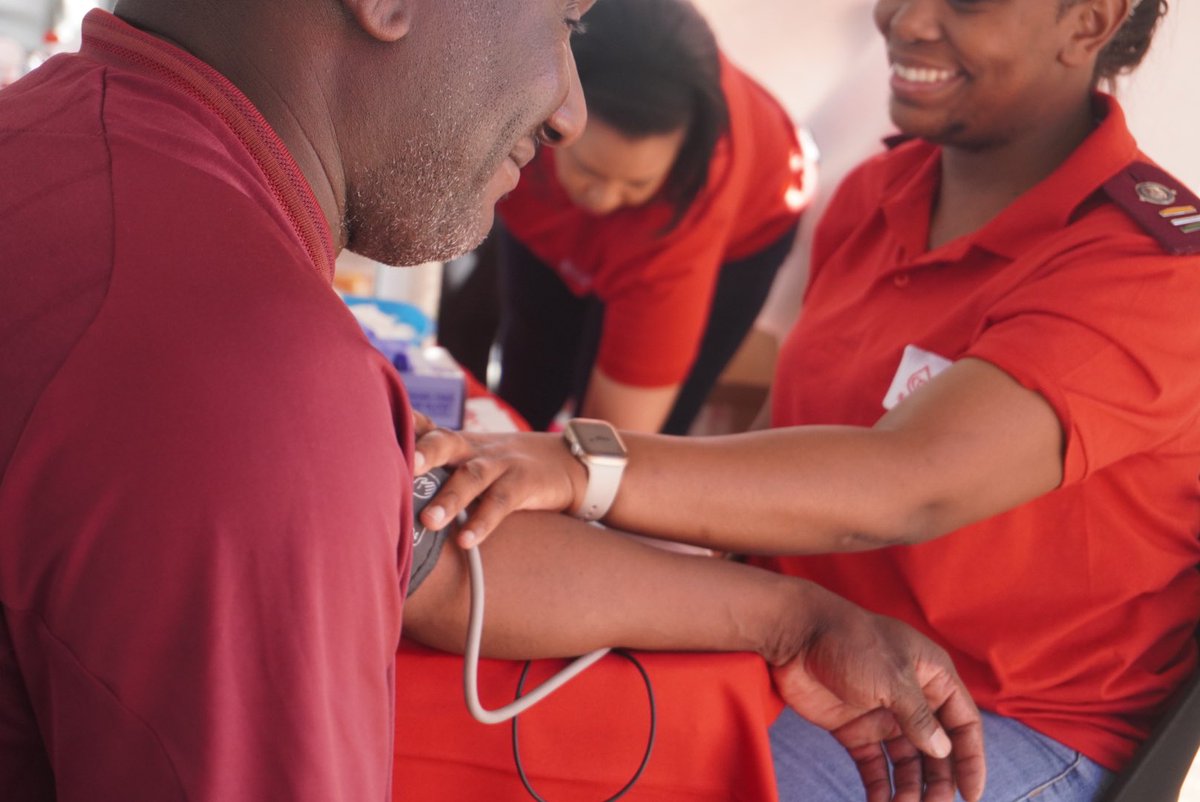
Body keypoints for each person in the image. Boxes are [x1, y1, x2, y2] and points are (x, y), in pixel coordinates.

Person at [0, 1, 986, 800]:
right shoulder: (261, 386)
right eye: (565, 21)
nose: (567, 111)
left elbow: (426, 549)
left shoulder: (47, 136)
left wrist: (792, 619)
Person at [414, 0, 1200, 799]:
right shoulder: (880, 191)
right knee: (441, 710)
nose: (905, 20)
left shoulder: (1155, 271)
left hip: (977, 714)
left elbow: (908, 482)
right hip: (796, 634)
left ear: (1089, 21)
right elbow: (780, 442)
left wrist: (585, 465)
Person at [489, 0, 812, 434]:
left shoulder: (695, 201)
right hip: (551, 173)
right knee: (529, 364)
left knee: (635, 439)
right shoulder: (514, 104)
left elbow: (614, 434)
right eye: (588, 171)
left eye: (635, 183)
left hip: (735, 232)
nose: (604, 200)